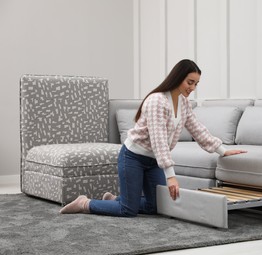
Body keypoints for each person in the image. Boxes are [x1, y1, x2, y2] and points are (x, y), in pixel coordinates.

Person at [59, 59, 247, 216]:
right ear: (178, 77)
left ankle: (114, 200)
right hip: (133, 157)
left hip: (153, 162)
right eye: (190, 82)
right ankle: (85, 203)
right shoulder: (157, 100)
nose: (193, 87)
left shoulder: (183, 102)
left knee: (156, 207)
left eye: (196, 84)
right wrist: (171, 176)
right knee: (128, 211)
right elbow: (158, 140)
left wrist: (222, 150)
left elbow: (197, 129)